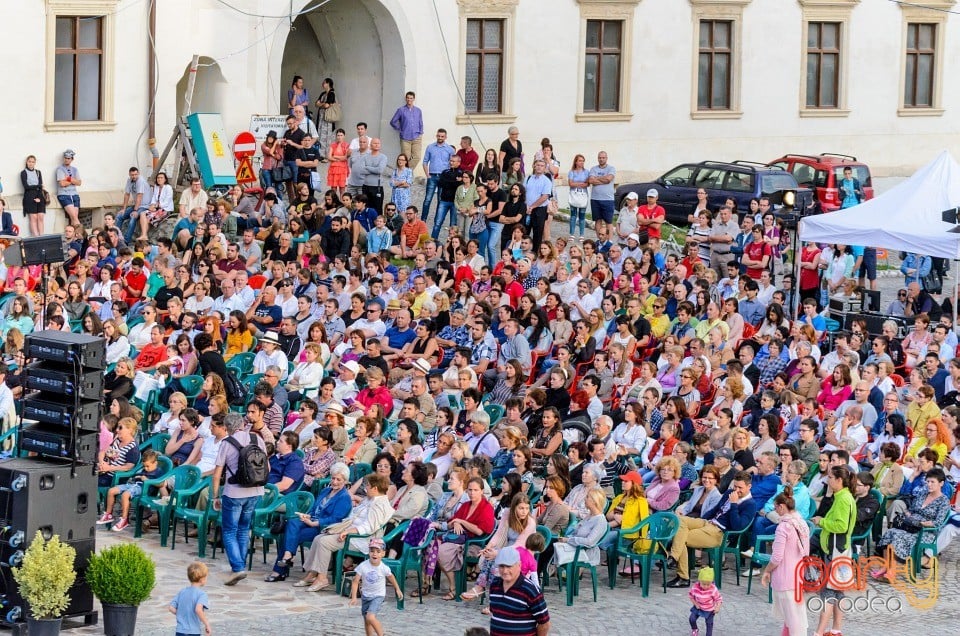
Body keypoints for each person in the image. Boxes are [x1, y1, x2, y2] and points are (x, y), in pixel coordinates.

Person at [211, 413, 267, 586]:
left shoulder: (226, 443)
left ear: (227, 427)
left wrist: (215, 496)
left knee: (229, 530)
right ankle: (240, 565)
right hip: (255, 490)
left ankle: (238, 568)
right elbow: (267, 466)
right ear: (242, 424)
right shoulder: (257, 439)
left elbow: (217, 473)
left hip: (234, 492)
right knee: (244, 529)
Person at [760, 485, 810, 636]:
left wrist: (767, 571)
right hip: (798, 576)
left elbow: (776, 558)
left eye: (775, 508)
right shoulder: (802, 523)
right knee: (796, 618)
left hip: (785, 577)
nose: (775, 512)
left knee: (792, 621)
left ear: (781, 507)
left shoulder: (783, 527)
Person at [488, 546, 551, 636]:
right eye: (502, 566)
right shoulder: (495, 584)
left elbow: (544, 623)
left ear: (519, 565)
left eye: (509, 566)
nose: (505, 571)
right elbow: (495, 613)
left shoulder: (530, 590)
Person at [97, 449, 164, 531]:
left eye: (148, 466)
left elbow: (161, 484)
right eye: (144, 466)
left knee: (125, 495)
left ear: (155, 463)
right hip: (133, 485)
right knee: (111, 491)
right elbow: (137, 475)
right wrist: (137, 477)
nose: (146, 468)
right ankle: (108, 514)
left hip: (142, 488)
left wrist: (147, 480)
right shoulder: (145, 469)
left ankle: (124, 519)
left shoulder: (158, 471)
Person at [348, 537, 403, 636]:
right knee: (367, 621)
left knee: (370, 617)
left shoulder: (384, 568)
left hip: (378, 596)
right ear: (368, 552)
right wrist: (354, 597)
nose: (374, 554)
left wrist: (397, 589)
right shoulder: (363, 566)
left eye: (378, 551)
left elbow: (391, 577)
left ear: (383, 553)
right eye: (372, 551)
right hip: (366, 596)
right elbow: (355, 581)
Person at [168, 561, 212, 636]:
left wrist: (181, 614)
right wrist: (207, 624)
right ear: (202, 579)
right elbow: (198, 610)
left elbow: (171, 608)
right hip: (193, 632)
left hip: (180, 631)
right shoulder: (201, 594)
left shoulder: (182, 591)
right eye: (206, 577)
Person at [390, 91, 424, 169]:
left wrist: (421, 132)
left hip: (417, 137)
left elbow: (420, 122)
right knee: (405, 158)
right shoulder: (401, 110)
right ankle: (406, 175)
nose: (409, 100)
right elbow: (393, 121)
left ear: (414, 99)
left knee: (417, 157)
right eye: (408, 98)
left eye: (411, 98)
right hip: (405, 138)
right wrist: (400, 129)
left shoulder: (418, 110)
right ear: (406, 99)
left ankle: (407, 171)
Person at [688, 566, 722, 636]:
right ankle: (695, 629)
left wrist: (718, 607)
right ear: (699, 581)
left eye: (708, 584)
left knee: (709, 623)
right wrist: (695, 603)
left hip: (709, 609)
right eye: (703, 584)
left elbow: (719, 599)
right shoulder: (695, 587)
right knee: (692, 619)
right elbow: (691, 596)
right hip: (698, 606)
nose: (706, 586)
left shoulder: (713, 589)